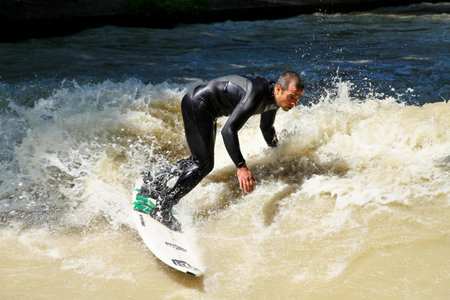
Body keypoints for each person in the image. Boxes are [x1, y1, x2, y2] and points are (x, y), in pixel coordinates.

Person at [140, 71, 304, 230]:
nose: (294, 103)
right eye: (291, 97)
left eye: (297, 99)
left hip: (206, 109)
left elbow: (266, 128)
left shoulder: (274, 101)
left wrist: (279, 153)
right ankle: (163, 208)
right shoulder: (257, 93)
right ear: (278, 89)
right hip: (197, 103)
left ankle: (154, 181)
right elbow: (228, 131)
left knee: (197, 160)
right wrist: (241, 166)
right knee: (203, 165)